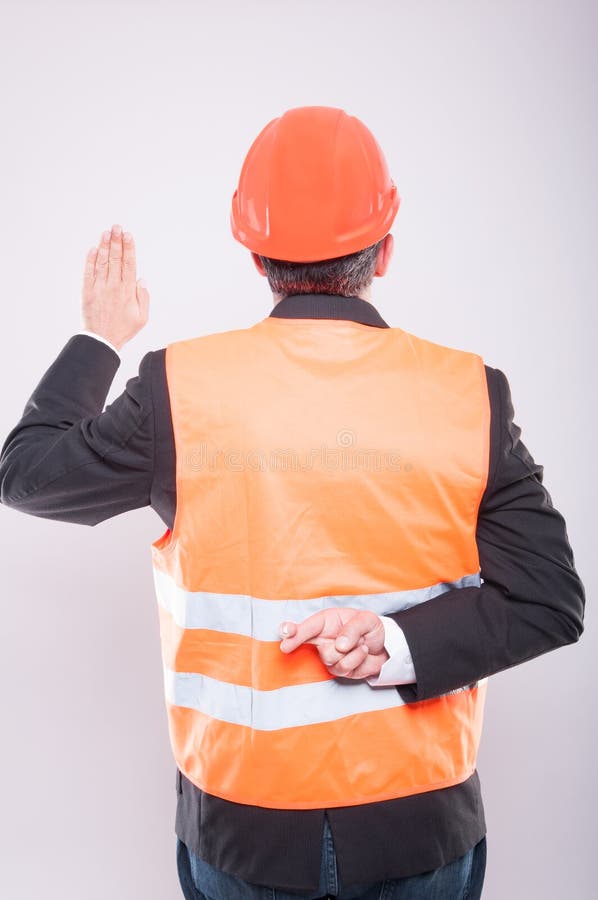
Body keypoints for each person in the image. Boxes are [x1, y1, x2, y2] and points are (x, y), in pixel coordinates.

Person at [0, 106, 585, 900]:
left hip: (244, 834)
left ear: (256, 256)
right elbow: (551, 600)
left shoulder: (179, 389)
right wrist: (401, 643)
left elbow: (27, 474)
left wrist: (102, 339)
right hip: (422, 828)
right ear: (385, 249)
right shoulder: (469, 394)